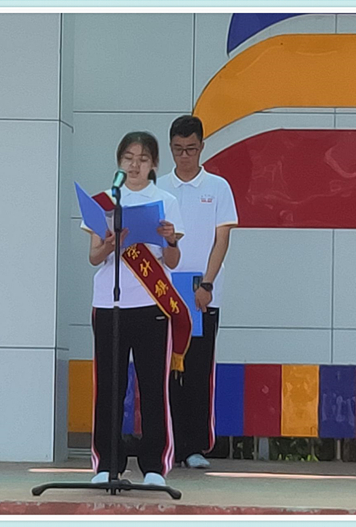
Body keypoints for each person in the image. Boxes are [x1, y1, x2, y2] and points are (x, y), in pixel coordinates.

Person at [85, 131, 186, 486]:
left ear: (154, 164)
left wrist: (170, 239)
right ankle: (107, 464)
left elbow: (172, 261)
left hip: (151, 304)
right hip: (109, 304)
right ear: (119, 161)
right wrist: (110, 244)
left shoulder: (166, 201)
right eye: (128, 158)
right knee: (109, 386)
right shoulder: (105, 201)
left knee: (152, 386)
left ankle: (154, 466)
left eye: (143, 159)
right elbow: (94, 256)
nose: (135, 165)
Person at [157, 116, 238, 469]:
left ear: (202, 147)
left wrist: (207, 284)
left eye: (191, 149)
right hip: (163, 292)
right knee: (164, 371)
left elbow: (222, 239)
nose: (184, 156)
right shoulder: (159, 188)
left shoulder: (218, 187)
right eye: (178, 150)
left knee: (197, 370)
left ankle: (194, 447)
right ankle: (167, 444)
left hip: (201, 294)